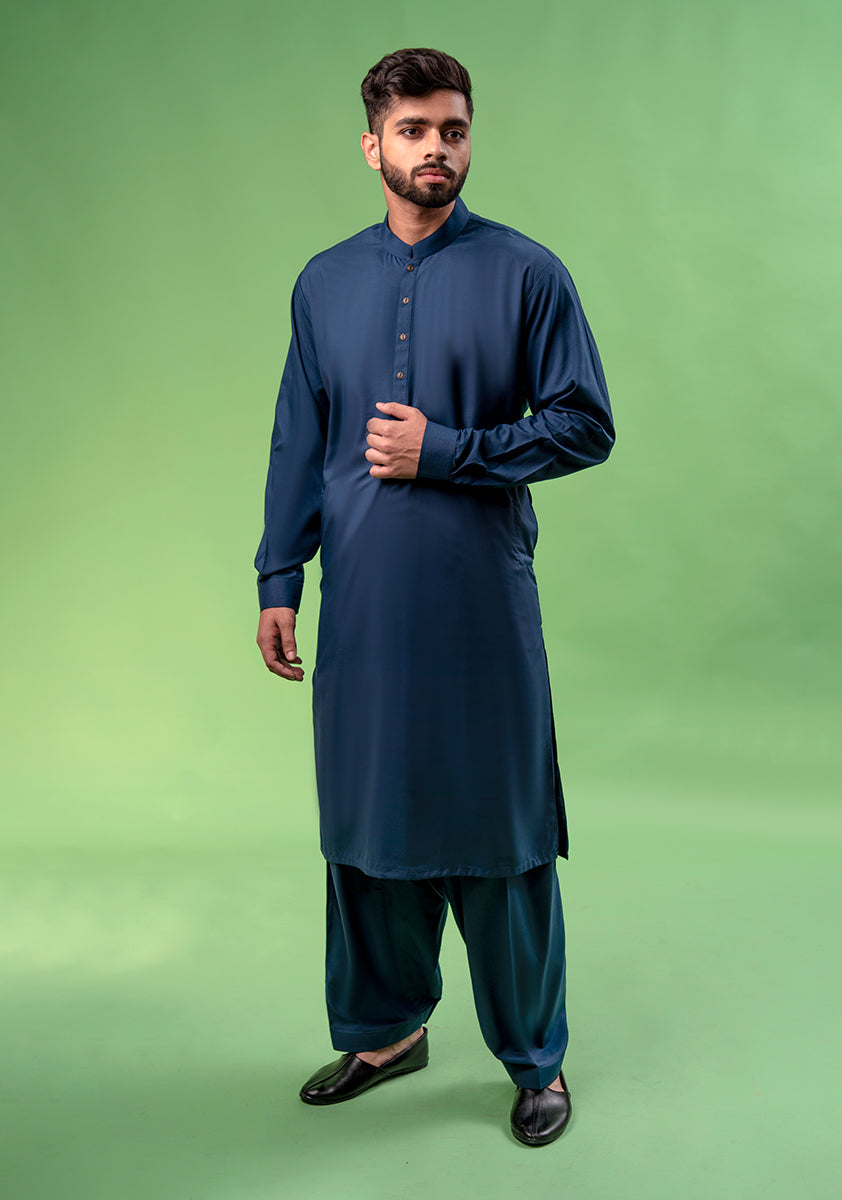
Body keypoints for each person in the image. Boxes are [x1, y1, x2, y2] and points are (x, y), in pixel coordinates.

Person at [254, 47, 614, 1147]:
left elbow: (584, 424)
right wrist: (279, 576)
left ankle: (535, 1060)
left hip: (480, 609)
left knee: (502, 836)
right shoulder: (324, 283)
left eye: (452, 129)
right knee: (366, 829)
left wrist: (447, 449)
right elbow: (299, 440)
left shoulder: (526, 274)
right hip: (362, 606)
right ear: (372, 145)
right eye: (413, 130)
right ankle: (384, 1033)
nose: (436, 149)